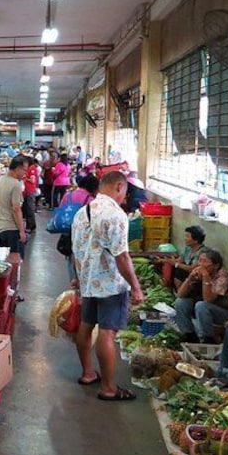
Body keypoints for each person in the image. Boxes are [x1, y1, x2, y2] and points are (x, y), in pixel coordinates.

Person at [71, 171, 144, 401]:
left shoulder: (82, 213)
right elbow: (122, 257)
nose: (125, 196)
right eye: (125, 191)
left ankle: (88, 373)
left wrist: (80, 278)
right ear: (119, 187)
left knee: (86, 325)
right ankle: (109, 388)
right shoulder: (115, 215)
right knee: (107, 332)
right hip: (110, 284)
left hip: (89, 282)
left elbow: (76, 251)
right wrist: (136, 287)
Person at [174, 248, 228, 345]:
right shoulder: (199, 274)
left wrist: (206, 277)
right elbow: (180, 294)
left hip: (222, 312)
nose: (200, 264)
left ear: (216, 265)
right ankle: (189, 335)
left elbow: (208, 299)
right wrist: (190, 278)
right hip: (203, 310)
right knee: (180, 302)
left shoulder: (222, 277)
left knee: (201, 305)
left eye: (205, 261)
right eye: (199, 260)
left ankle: (208, 339)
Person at [57, 174, 100, 281]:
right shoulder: (91, 200)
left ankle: (73, 284)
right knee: (83, 259)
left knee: (71, 259)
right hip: (84, 235)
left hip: (68, 232)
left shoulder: (68, 195)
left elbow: (61, 210)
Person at [0, 156, 28, 261]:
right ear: (17, 169)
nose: (25, 174)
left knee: (1, 262)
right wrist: (21, 231)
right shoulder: (16, 184)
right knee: (14, 263)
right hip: (11, 230)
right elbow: (16, 208)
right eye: (24, 170)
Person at [22, 157, 40, 233]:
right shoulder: (30, 168)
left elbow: (33, 180)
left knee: (30, 208)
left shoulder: (32, 169)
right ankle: (27, 225)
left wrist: (25, 178)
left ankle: (32, 226)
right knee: (26, 208)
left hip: (30, 190)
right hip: (27, 190)